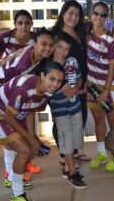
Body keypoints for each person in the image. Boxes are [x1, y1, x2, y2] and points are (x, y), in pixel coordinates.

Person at [0, 61, 65, 201]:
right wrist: (29, 138)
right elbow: (8, 116)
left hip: (12, 113)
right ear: (42, 75)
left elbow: (30, 111)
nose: (55, 84)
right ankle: (17, 195)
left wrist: (33, 136)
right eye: (52, 79)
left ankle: (12, 179)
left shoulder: (48, 91)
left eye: (59, 81)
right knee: (24, 150)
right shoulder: (24, 87)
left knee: (31, 146)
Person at [0, 28, 54, 187]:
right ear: (34, 43)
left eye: (51, 45)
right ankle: (11, 174)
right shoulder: (22, 66)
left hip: (5, 86)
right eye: (43, 44)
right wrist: (30, 137)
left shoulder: (38, 57)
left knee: (18, 131)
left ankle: (15, 171)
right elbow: (15, 92)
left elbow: (29, 105)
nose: (47, 48)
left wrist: (32, 135)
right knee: (11, 130)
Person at [51, 0, 90, 163]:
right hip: (62, 87)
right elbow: (49, 62)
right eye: (70, 13)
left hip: (79, 83)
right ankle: (64, 153)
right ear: (63, 14)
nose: (73, 18)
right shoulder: (54, 34)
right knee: (62, 119)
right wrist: (62, 84)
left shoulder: (81, 34)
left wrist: (82, 82)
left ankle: (73, 150)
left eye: (77, 15)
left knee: (80, 117)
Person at [48, 33, 87, 189]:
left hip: (75, 107)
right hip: (60, 111)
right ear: (54, 47)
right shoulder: (49, 67)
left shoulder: (72, 62)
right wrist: (61, 86)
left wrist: (76, 88)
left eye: (66, 49)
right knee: (67, 142)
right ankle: (72, 173)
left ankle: (66, 169)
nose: (63, 52)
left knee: (76, 139)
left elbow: (79, 78)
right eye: (59, 48)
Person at [86, 1, 114, 172]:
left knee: (113, 122)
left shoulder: (110, 39)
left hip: (109, 88)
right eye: (96, 13)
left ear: (107, 18)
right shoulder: (85, 35)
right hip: (91, 87)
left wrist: (106, 90)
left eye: (103, 14)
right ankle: (102, 153)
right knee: (99, 120)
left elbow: (113, 66)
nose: (99, 17)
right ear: (91, 15)